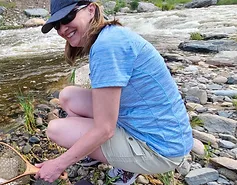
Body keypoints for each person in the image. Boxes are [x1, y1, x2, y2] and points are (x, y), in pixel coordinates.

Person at [34, 0, 193, 184]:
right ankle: (103, 155)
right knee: (68, 96)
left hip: (161, 149)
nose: (62, 29)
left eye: (68, 17)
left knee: (56, 129)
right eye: (56, 25)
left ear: (91, 9)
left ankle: (127, 168)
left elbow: (105, 129)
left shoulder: (106, 47)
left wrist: (58, 165)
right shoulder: (110, 36)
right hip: (162, 131)